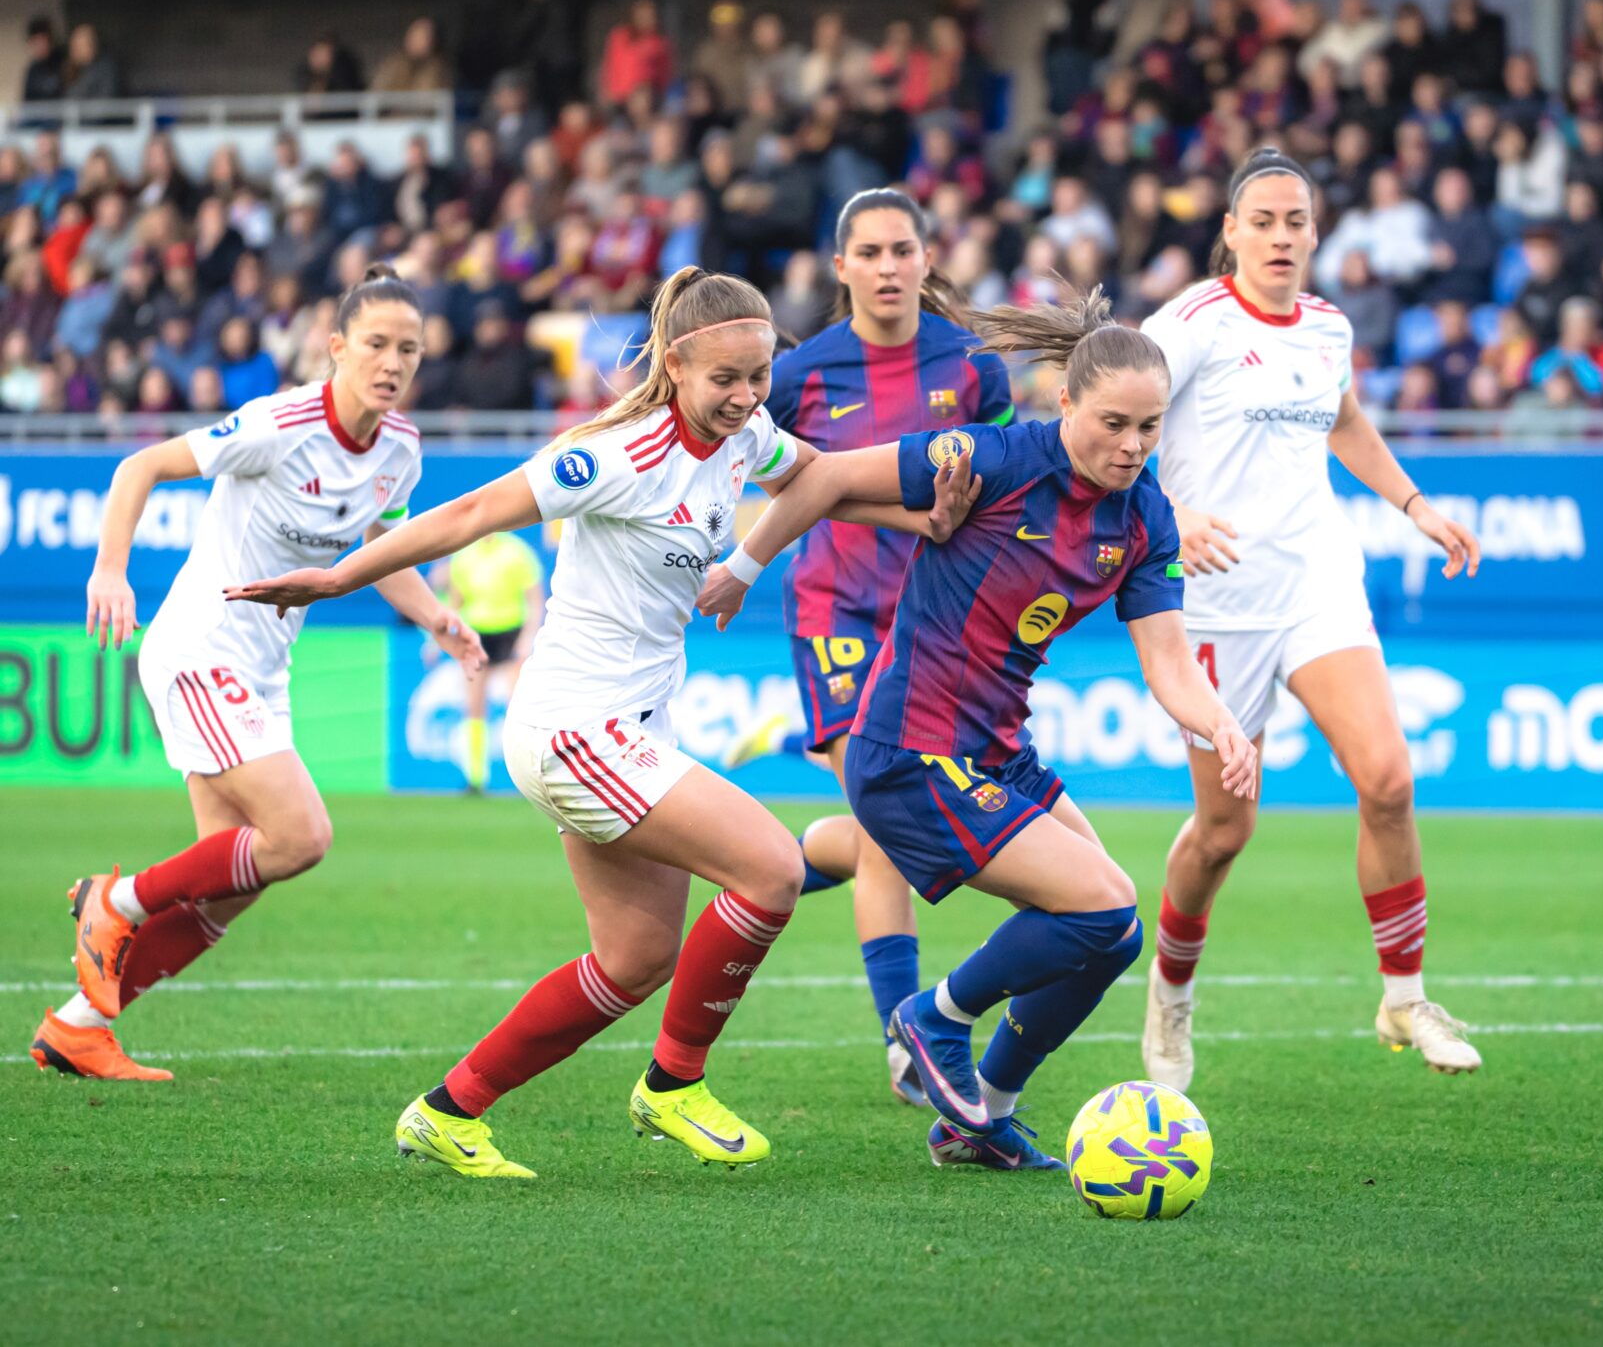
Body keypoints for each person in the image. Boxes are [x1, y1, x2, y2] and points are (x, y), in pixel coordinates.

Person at [227, 266, 970, 1179]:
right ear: (675, 364)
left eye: (758, 376)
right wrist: (341, 577)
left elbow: (817, 479)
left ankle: (448, 1112)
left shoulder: (746, 434)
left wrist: (924, 520)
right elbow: (473, 511)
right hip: (577, 729)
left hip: (630, 732)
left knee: (634, 958)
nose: (745, 397)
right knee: (773, 868)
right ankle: (674, 1082)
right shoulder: (618, 454)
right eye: (725, 379)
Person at [693, 288, 1258, 1173]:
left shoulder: (1147, 516)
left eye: (1150, 428)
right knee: (1101, 904)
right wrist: (742, 565)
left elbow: (1170, 663)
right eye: (1113, 423)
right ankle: (934, 1016)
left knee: (1114, 932)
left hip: (994, 748)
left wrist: (1220, 722)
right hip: (911, 748)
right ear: (1064, 402)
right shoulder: (992, 457)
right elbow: (827, 476)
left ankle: (978, 1117)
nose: (1132, 446)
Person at [33, 266, 483, 1082]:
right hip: (202, 649)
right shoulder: (281, 422)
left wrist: (438, 619)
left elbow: (381, 551)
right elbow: (140, 466)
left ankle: (78, 1026)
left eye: (409, 350)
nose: (392, 363)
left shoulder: (401, 450)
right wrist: (110, 570)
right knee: (302, 836)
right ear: (336, 346)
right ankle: (114, 900)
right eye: (376, 344)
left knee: (229, 883)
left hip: (263, 672)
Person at [1135, 149, 1486, 1091]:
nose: (1281, 236)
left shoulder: (1329, 326)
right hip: (1218, 606)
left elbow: (1344, 421)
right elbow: (1103, 412)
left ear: (1317, 232)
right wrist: (1172, 515)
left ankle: (1405, 995)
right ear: (1231, 232)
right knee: (1223, 830)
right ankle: (1170, 991)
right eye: (1263, 221)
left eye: (1297, 221)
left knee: (1388, 778)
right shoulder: (1191, 324)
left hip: (1317, 585)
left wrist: (1415, 505)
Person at [726, 187, 1015, 1106]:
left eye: (903, 250)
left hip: (935, 622)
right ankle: (906, 1040)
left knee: (889, 824)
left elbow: (1002, 489)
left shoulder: (974, 367)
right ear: (840, 265)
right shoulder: (800, 375)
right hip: (837, 612)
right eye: (871, 252)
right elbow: (775, 481)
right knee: (893, 820)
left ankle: (782, 861)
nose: (888, 267)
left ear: (928, 260)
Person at [437, 531, 545, 792]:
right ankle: (476, 777)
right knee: (474, 706)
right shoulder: (464, 556)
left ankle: (528, 778)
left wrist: (527, 637)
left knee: (517, 707)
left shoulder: (517, 551)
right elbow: (455, 603)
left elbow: (534, 600)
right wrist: (437, 639)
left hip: (511, 633)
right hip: (477, 634)